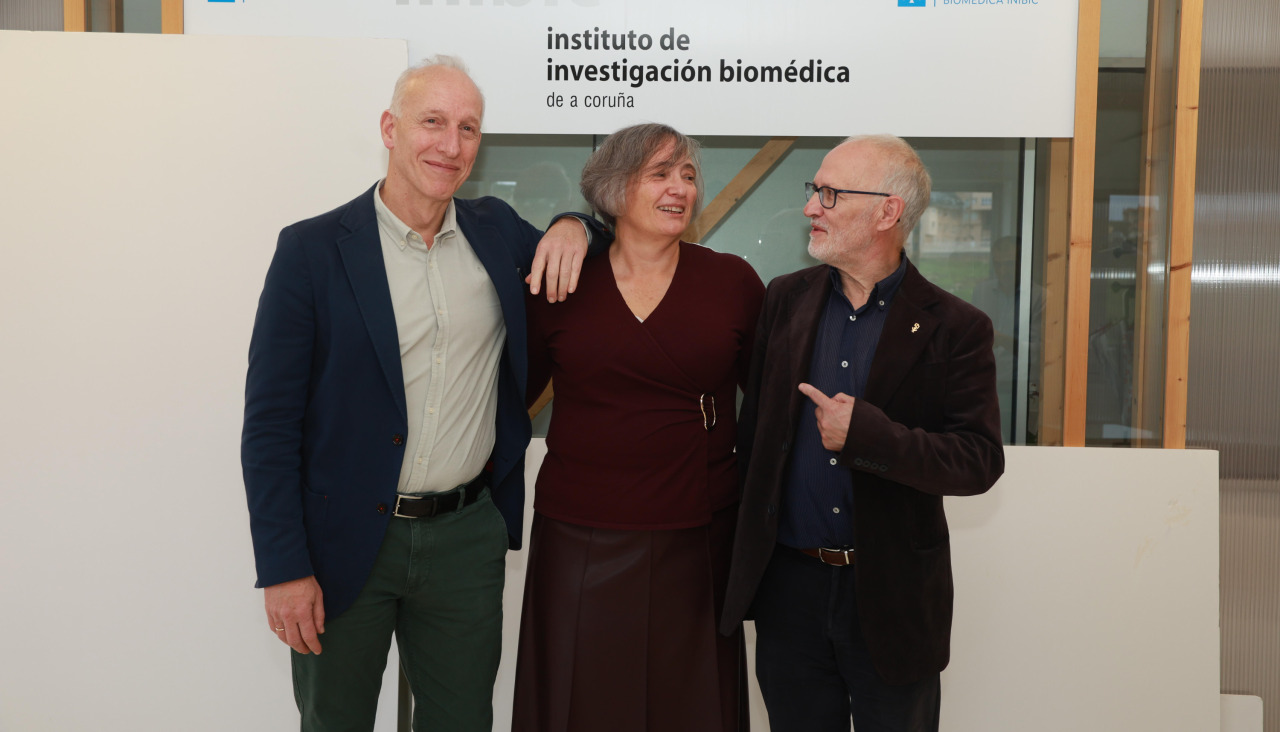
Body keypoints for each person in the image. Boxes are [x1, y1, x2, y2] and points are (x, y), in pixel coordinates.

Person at [241, 55, 608, 732]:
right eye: (433, 122)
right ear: (390, 127)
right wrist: (284, 567)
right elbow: (268, 426)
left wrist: (573, 223)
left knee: (461, 721)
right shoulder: (313, 251)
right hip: (343, 540)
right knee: (334, 721)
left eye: (468, 128)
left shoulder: (497, 232)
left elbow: (594, 249)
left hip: (465, 539)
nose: (451, 144)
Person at [720, 135, 1005, 732]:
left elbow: (978, 461)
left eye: (829, 193)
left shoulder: (957, 327)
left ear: (887, 212)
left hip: (892, 597)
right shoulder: (784, 301)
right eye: (813, 191)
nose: (810, 208)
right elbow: (755, 440)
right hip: (789, 593)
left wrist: (869, 437)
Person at [511, 123, 765, 732]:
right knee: (581, 700)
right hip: (578, 535)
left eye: (688, 175)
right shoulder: (560, 282)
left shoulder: (732, 281)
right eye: (660, 173)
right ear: (615, 190)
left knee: (692, 702)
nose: (680, 187)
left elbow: (771, 409)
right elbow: (510, 397)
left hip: (698, 535)